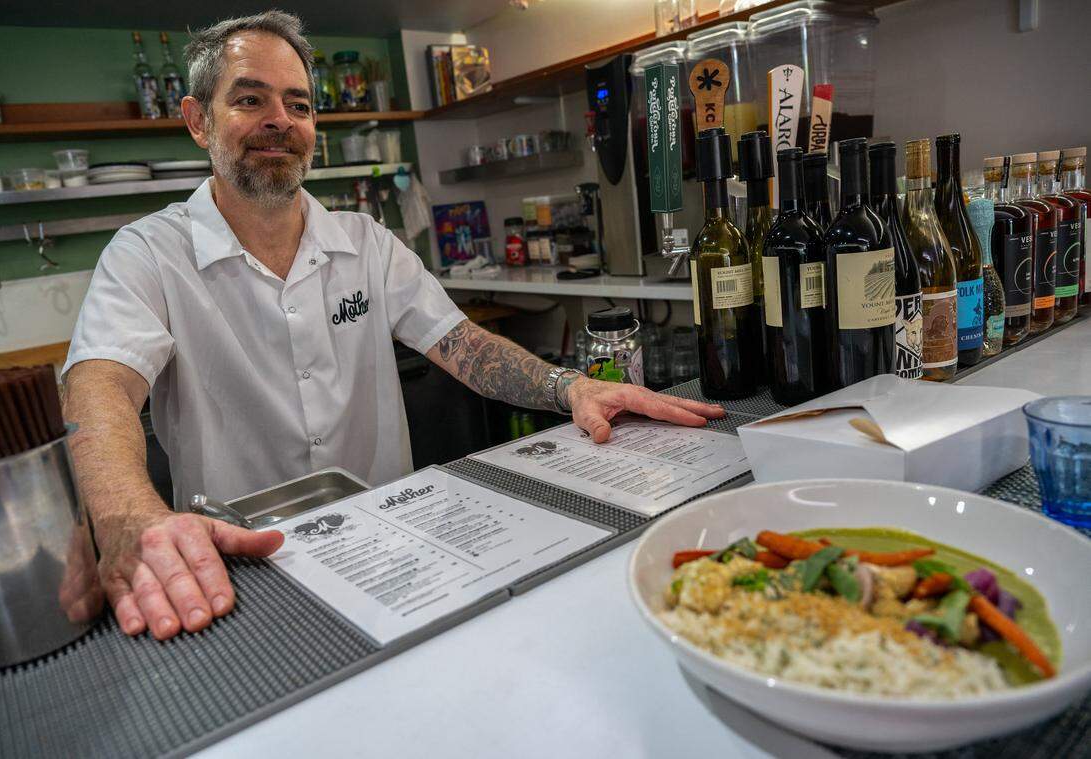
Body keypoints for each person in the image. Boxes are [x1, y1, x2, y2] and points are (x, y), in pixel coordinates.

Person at [62, 11, 725, 642]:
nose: (279, 122)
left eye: (298, 104)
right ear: (198, 121)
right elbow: (100, 385)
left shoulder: (365, 241)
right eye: (249, 100)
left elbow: (461, 343)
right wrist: (129, 517)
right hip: (239, 571)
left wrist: (570, 386)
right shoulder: (147, 252)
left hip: (394, 546)